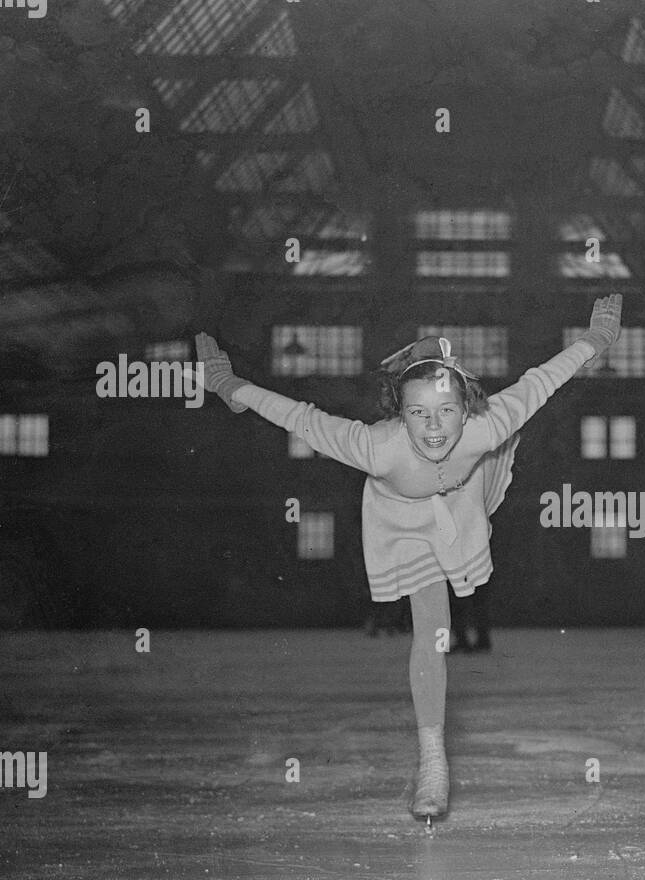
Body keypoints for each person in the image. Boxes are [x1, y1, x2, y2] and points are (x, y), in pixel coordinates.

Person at [194, 295, 622, 823]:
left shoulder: (486, 426)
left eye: (446, 411)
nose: (435, 427)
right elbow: (300, 418)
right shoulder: (378, 447)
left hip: (463, 497)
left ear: (466, 408)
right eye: (418, 413)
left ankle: (434, 754)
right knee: (431, 633)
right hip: (403, 523)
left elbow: (541, 380)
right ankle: (433, 761)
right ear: (401, 414)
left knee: (480, 483)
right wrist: (231, 387)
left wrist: (596, 340)